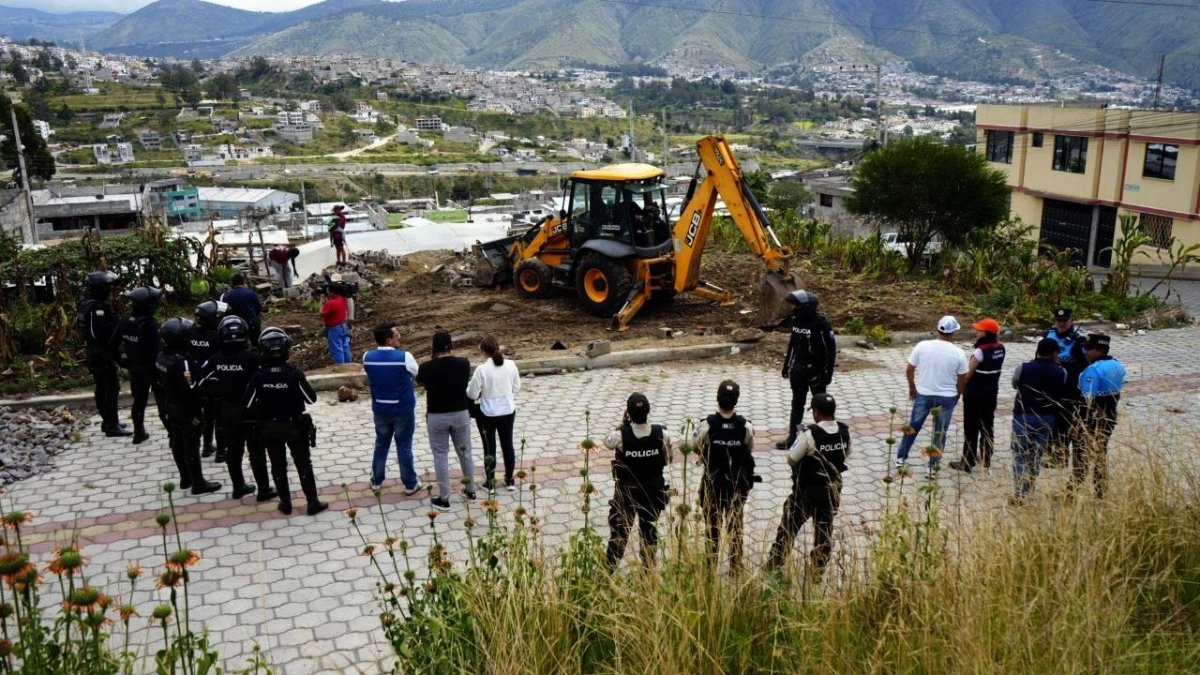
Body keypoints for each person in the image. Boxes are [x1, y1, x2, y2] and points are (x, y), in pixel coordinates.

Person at [245, 327, 328, 516]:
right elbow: (310, 398)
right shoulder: (294, 373)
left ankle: (285, 503)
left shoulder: (258, 376)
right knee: (303, 463)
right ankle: (312, 502)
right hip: (294, 426)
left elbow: (247, 403)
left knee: (277, 464)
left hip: (270, 427)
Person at [766, 392, 850, 575]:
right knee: (824, 532)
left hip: (807, 491)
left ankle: (774, 564)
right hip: (831, 491)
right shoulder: (844, 432)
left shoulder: (809, 434)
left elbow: (791, 458)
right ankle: (817, 571)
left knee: (788, 527)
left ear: (817, 413)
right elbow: (846, 454)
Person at [197, 316, 275, 502]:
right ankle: (264, 489)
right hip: (251, 411)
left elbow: (200, 382)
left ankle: (238, 486)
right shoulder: (254, 357)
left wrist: (217, 393)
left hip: (227, 410)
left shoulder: (215, 359)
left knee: (233, 449)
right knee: (256, 451)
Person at [693, 380, 755, 571]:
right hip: (737, 483)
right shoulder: (745, 426)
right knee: (736, 523)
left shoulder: (707, 425)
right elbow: (749, 448)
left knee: (712, 524)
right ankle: (736, 565)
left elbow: (695, 445)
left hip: (713, 482)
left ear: (717, 399)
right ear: (736, 401)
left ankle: (710, 564)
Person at [895, 316, 969, 475]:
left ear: (937, 329)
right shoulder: (959, 353)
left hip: (924, 394)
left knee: (913, 427)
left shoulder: (922, 346)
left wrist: (912, 387)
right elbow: (962, 379)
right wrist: (957, 396)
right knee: (939, 432)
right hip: (947, 397)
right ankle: (932, 467)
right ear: (954, 332)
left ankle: (901, 458)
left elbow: (909, 369)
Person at [604, 393, 670, 570]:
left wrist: (622, 424)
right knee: (649, 530)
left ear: (628, 413)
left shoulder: (620, 437)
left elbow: (607, 442)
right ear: (648, 411)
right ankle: (648, 570)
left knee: (620, 532)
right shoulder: (661, 434)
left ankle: (608, 571)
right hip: (653, 492)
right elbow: (668, 459)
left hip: (627, 493)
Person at [156, 318, 221, 495]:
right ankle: (198, 482)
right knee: (191, 443)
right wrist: (204, 378)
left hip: (172, 405)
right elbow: (190, 387)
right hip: (187, 408)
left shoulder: (162, 356)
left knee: (177, 442)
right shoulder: (182, 361)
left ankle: (185, 477)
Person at [416, 330, 478, 509]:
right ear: (451, 345)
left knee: (441, 456)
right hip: (460, 413)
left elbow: (421, 383)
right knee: (465, 453)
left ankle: (444, 498)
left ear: (434, 347)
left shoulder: (426, 367)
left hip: (437, 415)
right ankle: (470, 490)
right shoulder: (463, 363)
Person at [363, 323, 423, 495]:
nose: (400, 337)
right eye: (397, 336)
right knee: (404, 446)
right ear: (389, 340)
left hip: (380, 408)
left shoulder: (367, 357)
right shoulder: (405, 357)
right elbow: (415, 373)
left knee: (381, 444)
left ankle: (376, 480)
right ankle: (410, 483)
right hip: (402, 409)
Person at [1009, 338, 1068, 503]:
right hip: (1046, 417)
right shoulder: (1061, 372)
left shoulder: (1023, 367)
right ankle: (1029, 488)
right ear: (1054, 353)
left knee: (1020, 454)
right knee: (1036, 454)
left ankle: (1019, 493)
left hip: (1023, 415)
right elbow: (1060, 388)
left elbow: (1015, 384)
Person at [777, 290, 836, 450]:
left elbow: (831, 350)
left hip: (816, 371)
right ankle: (792, 436)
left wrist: (828, 372)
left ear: (807, 307)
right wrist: (786, 366)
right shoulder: (796, 321)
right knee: (797, 404)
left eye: (797, 306)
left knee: (822, 405)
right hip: (798, 370)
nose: (794, 309)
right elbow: (793, 345)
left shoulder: (821, 323)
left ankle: (830, 437)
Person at [76, 270, 130, 437]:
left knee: (104, 387)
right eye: (107, 286)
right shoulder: (95, 306)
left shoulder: (86, 302)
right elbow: (95, 333)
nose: (109, 290)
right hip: (100, 352)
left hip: (97, 351)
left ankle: (109, 421)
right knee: (109, 388)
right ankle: (111, 425)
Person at [949, 318, 1006, 473]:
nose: (976, 332)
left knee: (971, 428)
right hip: (991, 393)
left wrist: (958, 390)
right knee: (987, 425)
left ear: (986, 333)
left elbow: (967, 375)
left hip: (974, 395)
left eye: (979, 330)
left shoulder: (980, 351)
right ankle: (986, 459)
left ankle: (967, 462)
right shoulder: (1001, 348)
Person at [466, 335, 521, 491]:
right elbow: (517, 387)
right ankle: (510, 480)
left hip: (487, 413)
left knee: (489, 447)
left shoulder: (481, 369)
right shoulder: (511, 365)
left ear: (483, 351)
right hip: (508, 410)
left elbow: (471, 394)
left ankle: (490, 482)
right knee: (508, 444)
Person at [1073, 333, 1126, 498]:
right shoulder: (1117, 365)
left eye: (1089, 349)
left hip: (1092, 420)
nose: (1085, 352)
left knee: (1082, 454)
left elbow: (1087, 399)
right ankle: (1100, 490)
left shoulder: (1093, 370)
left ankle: (1072, 490)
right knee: (1101, 452)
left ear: (1099, 350)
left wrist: (1078, 423)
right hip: (1109, 417)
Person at [118, 286, 167, 445]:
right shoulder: (150, 325)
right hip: (152, 370)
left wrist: (123, 362)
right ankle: (173, 434)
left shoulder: (125, 321)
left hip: (135, 369)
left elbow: (112, 344)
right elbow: (157, 352)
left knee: (139, 402)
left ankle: (138, 433)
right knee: (162, 403)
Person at [1044, 308, 1088, 468]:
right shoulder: (1049, 334)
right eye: (1058, 321)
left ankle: (1060, 458)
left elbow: (1084, 365)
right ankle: (1050, 452)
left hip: (1068, 388)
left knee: (1063, 423)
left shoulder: (1078, 340)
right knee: (1048, 421)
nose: (1061, 324)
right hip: (1049, 386)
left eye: (1064, 321)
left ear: (1071, 321)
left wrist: (1064, 365)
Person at [189, 300, 227, 460]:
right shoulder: (215, 336)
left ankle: (206, 446)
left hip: (198, 380)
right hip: (215, 381)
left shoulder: (190, 332)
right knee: (219, 417)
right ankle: (220, 451)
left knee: (207, 416)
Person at [221, 274, 262, 345]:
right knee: (256, 341)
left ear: (232, 283)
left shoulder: (228, 295)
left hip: (236, 324)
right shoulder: (250, 292)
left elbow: (226, 310)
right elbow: (258, 308)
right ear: (243, 282)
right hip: (251, 322)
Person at [320, 284, 351, 365]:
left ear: (332, 292)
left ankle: (341, 367)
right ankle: (349, 365)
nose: (327, 292)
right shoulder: (343, 299)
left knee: (337, 349)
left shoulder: (330, 303)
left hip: (334, 328)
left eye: (328, 290)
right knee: (345, 347)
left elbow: (322, 313)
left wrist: (322, 302)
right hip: (343, 325)